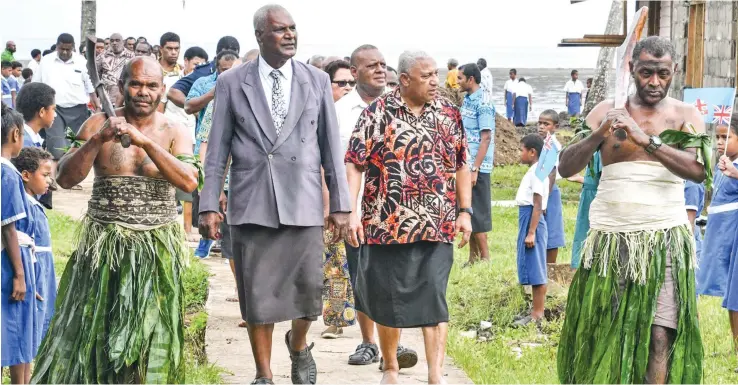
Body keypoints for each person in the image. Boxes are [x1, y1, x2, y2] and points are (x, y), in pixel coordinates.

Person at [198, 5, 351, 384]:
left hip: (303, 199)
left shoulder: (315, 79)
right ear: (260, 36)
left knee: (309, 292)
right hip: (252, 201)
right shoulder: (233, 82)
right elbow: (217, 149)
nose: (290, 35)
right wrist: (208, 204)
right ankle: (263, 374)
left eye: (293, 28)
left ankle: (298, 345)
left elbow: (331, 147)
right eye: (280, 30)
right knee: (258, 295)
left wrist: (341, 204)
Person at [32, 56, 199, 384]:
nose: (143, 92)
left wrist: (145, 142)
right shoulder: (96, 125)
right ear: (121, 87)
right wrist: (97, 141)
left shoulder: (174, 130)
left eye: (152, 85)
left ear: (162, 90)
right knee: (93, 333)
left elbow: (189, 182)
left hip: (155, 251)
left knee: (150, 338)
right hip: (104, 247)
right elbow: (64, 179)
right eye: (135, 83)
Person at [557, 36, 704, 383]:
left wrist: (645, 139)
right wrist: (599, 135)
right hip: (610, 240)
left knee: (659, 333)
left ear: (674, 72)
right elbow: (564, 167)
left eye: (663, 74)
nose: (655, 82)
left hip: (664, 239)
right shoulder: (606, 111)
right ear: (631, 69)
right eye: (646, 72)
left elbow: (698, 171)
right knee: (604, 329)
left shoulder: (685, 115)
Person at [345, 50, 471, 385]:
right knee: (389, 301)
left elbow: (461, 164)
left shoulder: (448, 113)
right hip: (387, 225)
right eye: (426, 75)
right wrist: (353, 212)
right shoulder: (377, 114)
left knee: (434, 298)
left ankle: (435, 375)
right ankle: (390, 368)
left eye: (436, 74)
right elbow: (355, 162)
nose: (436, 81)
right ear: (404, 80)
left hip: (437, 223)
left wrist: (466, 212)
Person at [337, 44, 418, 368]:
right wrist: (338, 209)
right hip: (356, 210)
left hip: (398, 211)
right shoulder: (340, 112)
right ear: (354, 72)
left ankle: (392, 345)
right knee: (363, 278)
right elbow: (332, 163)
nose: (380, 70)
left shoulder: (403, 109)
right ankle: (369, 342)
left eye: (383, 64)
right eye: (372, 65)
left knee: (396, 278)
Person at [33, 33, 100, 206]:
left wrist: (97, 105)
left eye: (68, 49)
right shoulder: (46, 62)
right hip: (54, 109)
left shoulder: (81, 61)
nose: (64, 52)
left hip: (78, 109)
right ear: (57, 46)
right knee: (56, 144)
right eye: (62, 49)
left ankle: (72, 179)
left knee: (78, 146)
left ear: (73, 48)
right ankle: (52, 181)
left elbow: (90, 86)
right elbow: (36, 84)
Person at [186, 50, 240, 258]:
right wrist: (210, 185)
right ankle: (206, 242)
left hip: (250, 184)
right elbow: (206, 145)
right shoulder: (217, 102)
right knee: (221, 227)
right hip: (224, 180)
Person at [1, 103, 38, 385]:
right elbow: (9, 227)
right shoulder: (9, 173)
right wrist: (20, 274)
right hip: (8, 261)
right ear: (15, 134)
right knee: (12, 330)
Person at [319, 58, 356, 340]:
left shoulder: (363, 112)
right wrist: (326, 203)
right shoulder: (323, 114)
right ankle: (336, 319)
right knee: (336, 262)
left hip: (363, 198)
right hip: (334, 197)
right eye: (340, 83)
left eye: (350, 83)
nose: (346, 87)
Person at [11, 147, 56, 351]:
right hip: (33, 274)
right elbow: (19, 248)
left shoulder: (34, 204)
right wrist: (28, 279)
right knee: (24, 332)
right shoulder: (23, 207)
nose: (49, 181)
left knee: (37, 330)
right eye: (45, 175)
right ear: (26, 175)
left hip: (42, 272)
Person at [458, 63, 494, 266]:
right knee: (468, 210)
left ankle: (486, 259)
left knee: (478, 212)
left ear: (471, 79)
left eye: (461, 78)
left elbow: (486, 137)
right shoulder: (468, 100)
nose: (458, 82)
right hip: (466, 164)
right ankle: (473, 258)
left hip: (477, 167)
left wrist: (475, 168)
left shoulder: (483, 102)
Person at [697, 120, 738, 298]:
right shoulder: (722, 165)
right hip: (717, 228)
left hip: (731, 229)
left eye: (726, 137)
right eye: (717, 137)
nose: (719, 142)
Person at [514, 134, 549, 326]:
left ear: (532, 152)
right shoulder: (536, 170)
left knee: (536, 267)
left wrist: (531, 231)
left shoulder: (537, 173)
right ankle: (533, 311)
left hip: (532, 219)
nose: (520, 153)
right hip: (528, 217)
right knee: (531, 264)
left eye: (522, 149)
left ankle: (538, 314)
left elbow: (537, 204)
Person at [537, 110, 565, 264]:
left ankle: (551, 266)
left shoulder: (552, 144)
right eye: (539, 123)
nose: (541, 127)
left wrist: (545, 198)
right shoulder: (543, 142)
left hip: (549, 191)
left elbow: (552, 173)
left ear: (555, 127)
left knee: (552, 230)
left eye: (546, 124)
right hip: (542, 190)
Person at [569, 150, 602, 269]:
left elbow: (604, 180)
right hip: (589, 195)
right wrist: (580, 179)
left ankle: (588, 266)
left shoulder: (603, 152)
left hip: (594, 198)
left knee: (589, 234)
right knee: (583, 233)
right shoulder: (596, 149)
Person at [96, 33, 134, 106]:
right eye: (112, 41)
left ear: (123, 42)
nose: (114, 43)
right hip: (105, 99)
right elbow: (97, 75)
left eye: (117, 40)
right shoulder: (102, 56)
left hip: (124, 99)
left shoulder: (131, 56)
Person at [16, 83, 55, 149]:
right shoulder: (25, 145)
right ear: (42, 112)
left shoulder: (30, 137)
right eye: (53, 109)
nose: (55, 114)